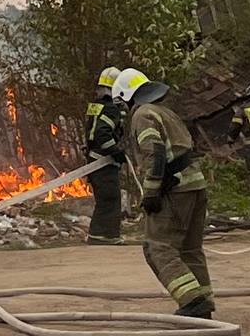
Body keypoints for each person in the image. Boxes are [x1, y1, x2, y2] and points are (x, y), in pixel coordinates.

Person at [113, 67, 214, 320]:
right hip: (194, 186)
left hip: (174, 190)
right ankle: (203, 303)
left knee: (158, 247)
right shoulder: (165, 112)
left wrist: (151, 193)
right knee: (190, 250)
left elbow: (154, 153)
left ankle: (192, 300)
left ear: (128, 97)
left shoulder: (142, 115)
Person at [84, 65, 126, 244]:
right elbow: (102, 134)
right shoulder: (110, 109)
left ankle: (99, 235)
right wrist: (115, 152)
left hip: (93, 160)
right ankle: (105, 236)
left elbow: (92, 132)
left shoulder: (96, 106)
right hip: (103, 162)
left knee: (104, 199)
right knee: (110, 198)